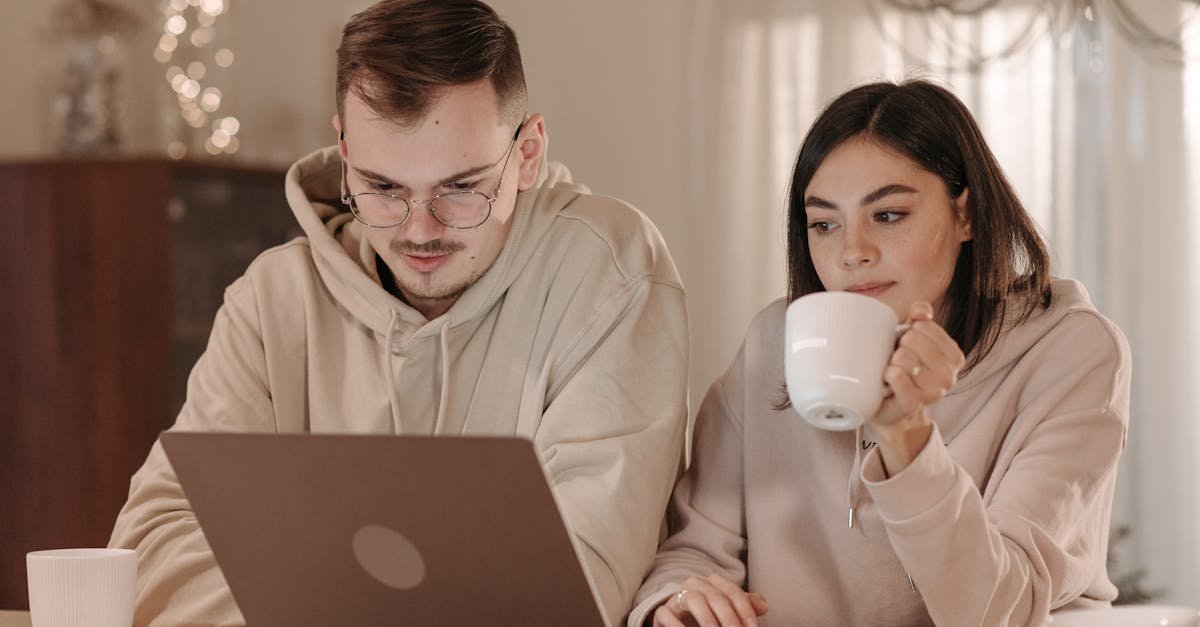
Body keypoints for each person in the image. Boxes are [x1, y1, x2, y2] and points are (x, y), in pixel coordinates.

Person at [108, 1, 688, 624]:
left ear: (528, 153)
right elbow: (151, 549)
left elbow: (580, 583)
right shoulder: (273, 300)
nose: (420, 231)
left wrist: (302, 595)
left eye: (462, 187)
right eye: (383, 187)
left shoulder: (612, 271)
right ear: (344, 149)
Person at [629, 79, 1131, 627]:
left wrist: (906, 436)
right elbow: (694, 550)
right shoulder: (776, 342)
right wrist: (678, 604)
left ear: (966, 215)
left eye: (888, 215)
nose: (852, 253)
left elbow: (999, 611)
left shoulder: (1070, 352)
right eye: (824, 224)